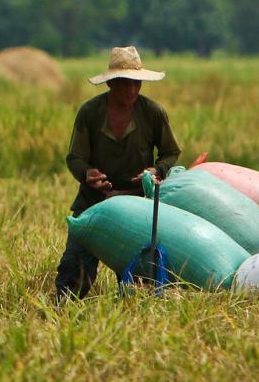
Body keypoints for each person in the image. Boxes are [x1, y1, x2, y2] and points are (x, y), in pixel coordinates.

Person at [53, 46, 182, 300]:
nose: (131, 90)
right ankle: (62, 309)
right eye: (124, 83)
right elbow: (75, 158)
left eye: (136, 83)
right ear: (111, 83)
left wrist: (156, 170)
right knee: (74, 269)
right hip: (94, 201)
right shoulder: (90, 112)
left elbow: (170, 153)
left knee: (137, 276)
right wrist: (88, 174)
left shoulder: (152, 113)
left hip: (137, 204)